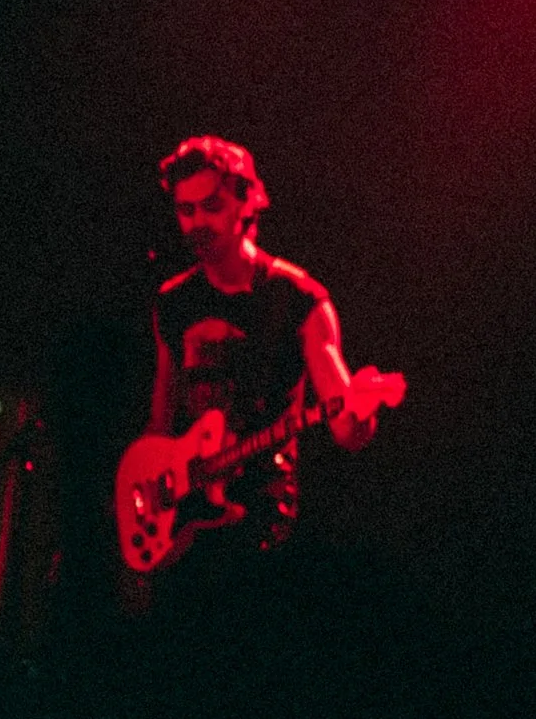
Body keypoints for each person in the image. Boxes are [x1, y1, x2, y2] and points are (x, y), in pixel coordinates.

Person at [147, 135, 375, 574]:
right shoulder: (173, 303)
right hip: (188, 525)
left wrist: (360, 410)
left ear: (246, 202)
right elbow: (160, 423)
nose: (197, 223)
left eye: (212, 206)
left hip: (263, 523)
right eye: (186, 210)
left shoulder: (297, 298)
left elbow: (347, 430)